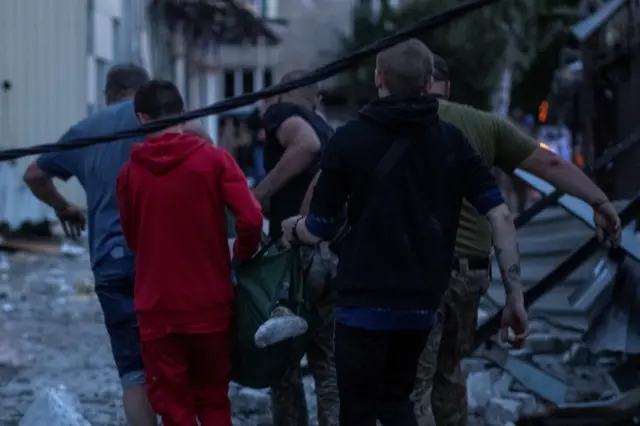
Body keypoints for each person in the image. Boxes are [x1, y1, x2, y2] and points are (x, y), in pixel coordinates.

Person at [280, 38, 521, 426]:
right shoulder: (452, 142)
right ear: (429, 84)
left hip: (361, 304)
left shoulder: (349, 140)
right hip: (420, 304)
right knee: (397, 403)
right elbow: (500, 216)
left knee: (356, 410)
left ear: (379, 78)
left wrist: (293, 229)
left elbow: (318, 227)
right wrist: (515, 295)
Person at [411, 54, 623, 426]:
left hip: (415, 272)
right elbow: (550, 165)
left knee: (412, 381)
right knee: (447, 370)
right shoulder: (484, 124)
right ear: (446, 85)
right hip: (469, 275)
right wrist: (599, 200)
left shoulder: (393, 122)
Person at [116, 79, 263, 426]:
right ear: (183, 114)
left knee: (174, 410)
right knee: (214, 401)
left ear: (141, 118)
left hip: (157, 311)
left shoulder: (129, 175)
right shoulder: (214, 161)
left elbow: (133, 239)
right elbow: (252, 217)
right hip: (210, 305)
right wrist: (240, 254)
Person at [23, 63, 158, 426]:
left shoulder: (85, 130)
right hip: (161, 258)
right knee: (176, 363)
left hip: (111, 260)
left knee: (134, 374)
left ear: (107, 94)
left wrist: (63, 206)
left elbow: (34, 174)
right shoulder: (160, 117)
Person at [252, 71, 339, 426]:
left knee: (282, 362)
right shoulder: (328, 130)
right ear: (317, 99)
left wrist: (258, 194)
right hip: (332, 254)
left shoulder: (282, 112)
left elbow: (305, 146)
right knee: (328, 362)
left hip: (295, 256)